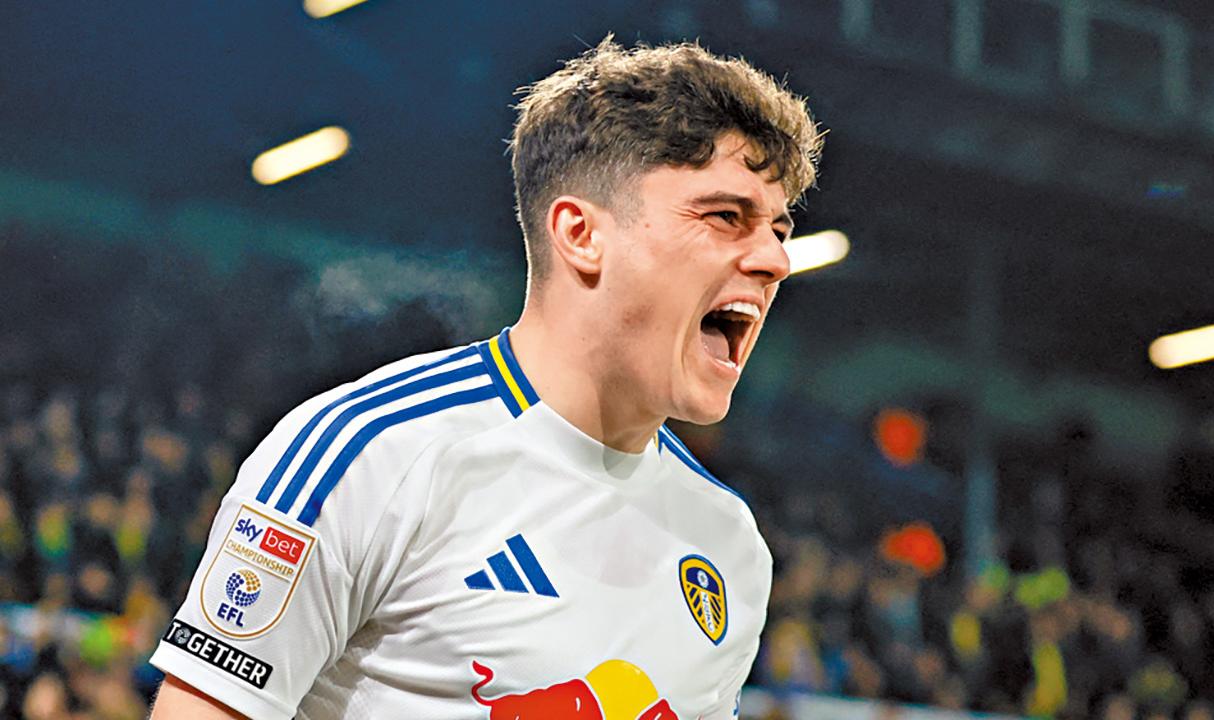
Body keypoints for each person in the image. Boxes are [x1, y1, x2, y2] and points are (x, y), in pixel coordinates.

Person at [148, 36, 822, 720]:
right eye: (725, 217)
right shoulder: (370, 455)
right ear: (581, 236)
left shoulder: (729, 544)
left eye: (778, 229)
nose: (775, 259)